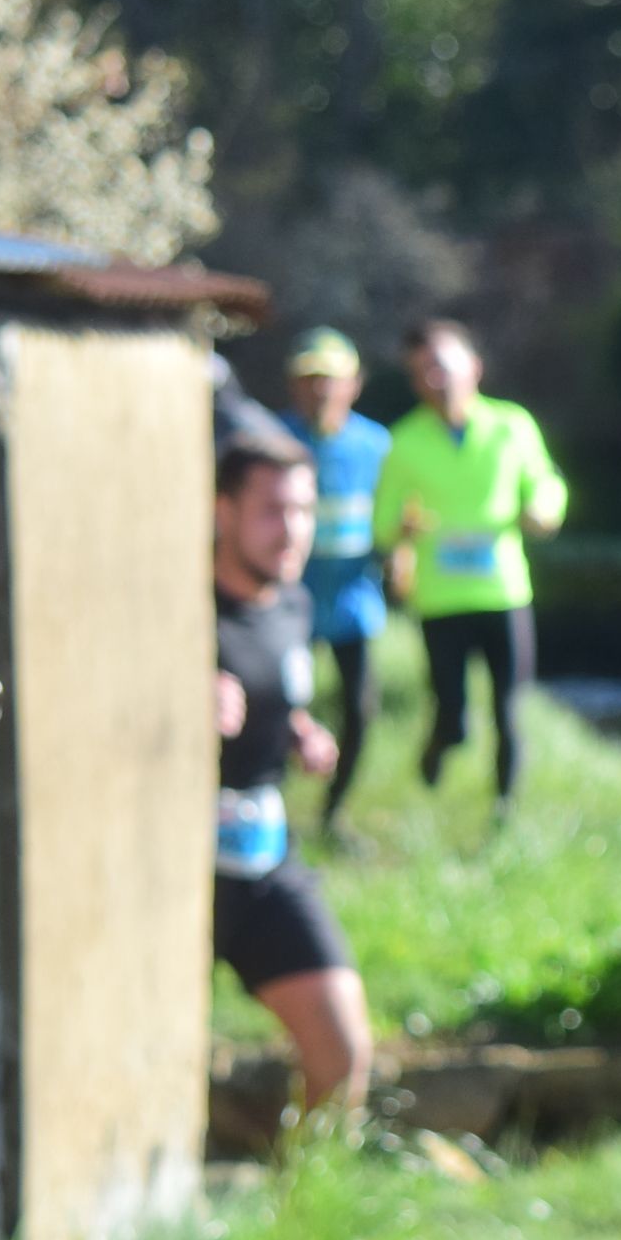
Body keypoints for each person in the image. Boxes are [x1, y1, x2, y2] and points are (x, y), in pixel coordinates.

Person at [213, 431, 372, 1112]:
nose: (293, 530)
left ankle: (314, 1181)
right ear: (223, 512)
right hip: (177, 871)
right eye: (273, 511)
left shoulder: (292, 603)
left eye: (305, 510)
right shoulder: (176, 613)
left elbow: (280, 693)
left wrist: (299, 732)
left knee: (343, 1053)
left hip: (264, 859)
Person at [371, 318, 570, 822]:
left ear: (473, 367)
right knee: (453, 716)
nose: (434, 379)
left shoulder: (512, 426)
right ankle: (434, 758)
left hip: (503, 591)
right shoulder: (404, 441)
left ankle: (503, 813)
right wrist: (401, 528)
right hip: (441, 600)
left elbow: (546, 483)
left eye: (441, 365)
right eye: (421, 371)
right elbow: (382, 522)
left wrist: (544, 509)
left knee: (510, 710)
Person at [279, 327, 392, 836]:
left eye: (331, 379)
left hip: (353, 602)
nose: (321, 390)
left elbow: (398, 513)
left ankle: (333, 816)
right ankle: (273, 813)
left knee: (360, 711)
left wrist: (401, 553)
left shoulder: (377, 446)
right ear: (294, 385)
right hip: (289, 604)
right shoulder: (274, 440)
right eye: (310, 379)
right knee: (279, 709)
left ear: (355, 384)